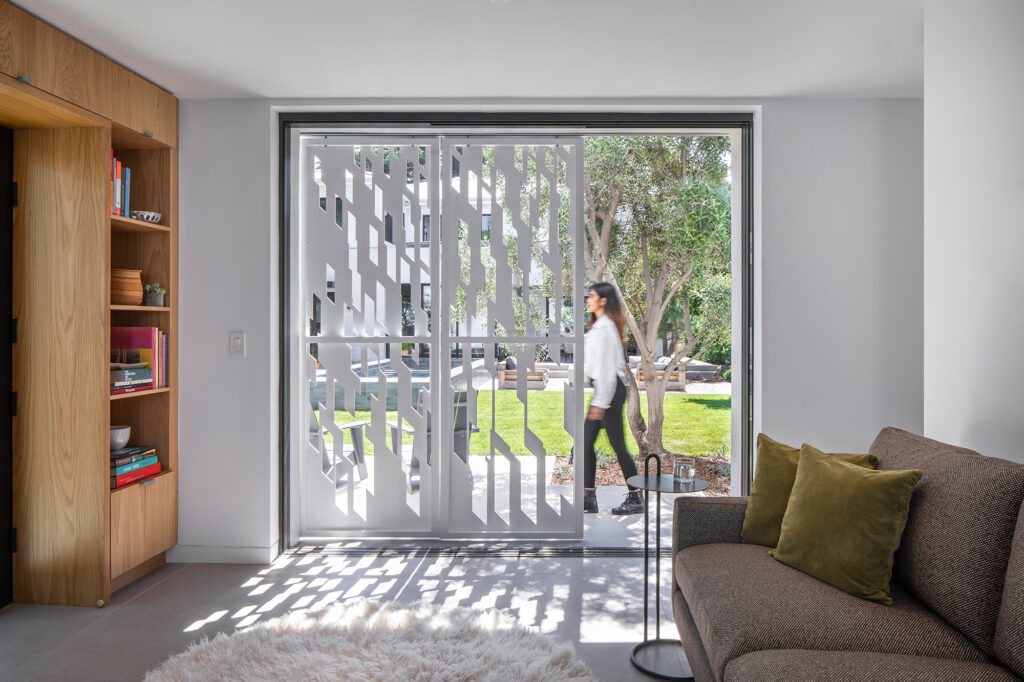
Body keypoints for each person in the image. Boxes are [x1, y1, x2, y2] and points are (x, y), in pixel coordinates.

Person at [582, 282, 642, 515]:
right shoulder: (600, 326)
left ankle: (636, 498)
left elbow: (607, 368)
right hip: (604, 390)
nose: (588, 299)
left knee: (619, 446)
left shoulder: (605, 327)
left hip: (608, 391)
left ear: (603, 300)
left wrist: (601, 402)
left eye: (592, 296)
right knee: (585, 442)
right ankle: (588, 498)